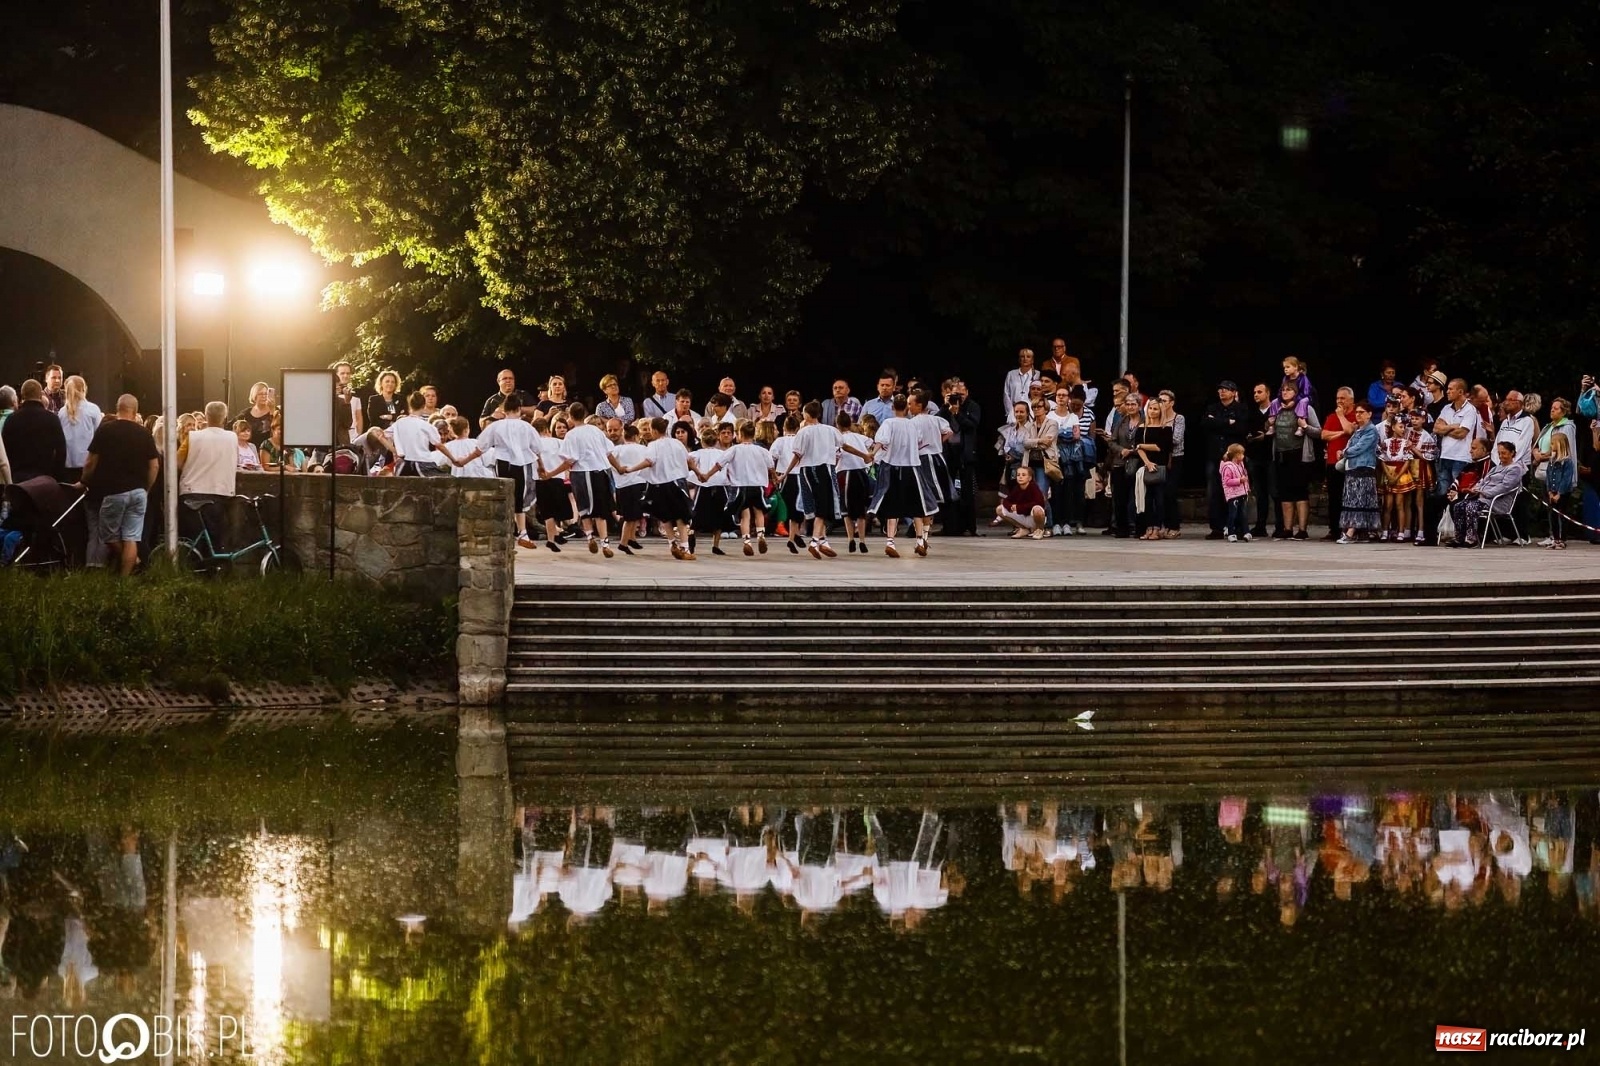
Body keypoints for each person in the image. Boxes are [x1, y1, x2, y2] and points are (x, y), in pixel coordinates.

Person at [78, 394, 158, 575]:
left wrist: (84, 480)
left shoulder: (105, 430)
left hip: (113, 492)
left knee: (107, 535)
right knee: (131, 537)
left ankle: (132, 562)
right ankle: (126, 580)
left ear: (117, 408)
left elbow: (90, 462)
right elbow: (154, 465)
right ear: (135, 411)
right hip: (138, 492)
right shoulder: (144, 433)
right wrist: (146, 488)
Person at [463, 394, 540, 545]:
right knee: (519, 498)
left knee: (504, 496)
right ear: (519, 409)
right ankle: (523, 532)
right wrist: (542, 467)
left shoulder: (496, 426)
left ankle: (506, 531)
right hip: (522, 464)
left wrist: (464, 460)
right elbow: (537, 449)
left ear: (504, 410)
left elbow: (480, 448)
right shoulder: (526, 426)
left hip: (503, 463)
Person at [542, 403, 616, 555]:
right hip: (601, 471)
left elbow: (570, 460)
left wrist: (551, 473)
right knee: (601, 510)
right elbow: (609, 453)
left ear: (570, 416)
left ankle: (590, 537)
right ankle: (605, 543)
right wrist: (619, 467)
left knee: (585, 508)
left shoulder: (572, 435)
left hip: (582, 473)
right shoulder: (596, 431)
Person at [870, 395, 935, 557]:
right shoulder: (913, 425)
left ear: (893, 408)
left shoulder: (888, 423)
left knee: (893, 506)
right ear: (906, 408)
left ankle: (890, 542)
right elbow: (920, 442)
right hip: (912, 468)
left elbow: (882, 440)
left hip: (893, 468)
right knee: (916, 506)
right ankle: (920, 540)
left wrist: (872, 453)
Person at [622, 416, 695, 559]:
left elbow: (649, 461)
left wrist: (631, 469)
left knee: (665, 516)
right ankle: (685, 548)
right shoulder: (677, 443)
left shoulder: (653, 445)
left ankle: (672, 542)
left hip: (660, 485)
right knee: (681, 517)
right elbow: (689, 461)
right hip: (677, 483)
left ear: (654, 430)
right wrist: (699, 473)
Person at [701, 420, 775, 555]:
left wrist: (707, 475)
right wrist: (775, 478)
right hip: (757, 485)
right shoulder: (762, 450)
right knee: (759, 512)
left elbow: (720, 464)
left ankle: (747, 541)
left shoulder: (734, 449)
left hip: (740, 486)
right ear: (754, 434)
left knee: (744, 514)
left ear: (739, 434)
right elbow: (771, 467)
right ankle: (761, 535)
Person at [784, 401, 841, 559]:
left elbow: (797, 454)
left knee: (814, 506)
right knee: (823, 506)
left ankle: (823, 540)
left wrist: (786, 472)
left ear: (807, 414)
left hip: (806, 471)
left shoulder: (803, 432)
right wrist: (863, 455)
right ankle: (815, 541)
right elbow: (845, 445)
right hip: (824, 469)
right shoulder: (830, 430)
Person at [1447, 441, 1526, 547]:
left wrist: (1485, 493)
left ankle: (1472, 539)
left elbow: (1505, 487)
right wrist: (1474, 489)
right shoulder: (1495, 468)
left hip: (1498, 501)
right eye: (1499, 453)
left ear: (1512, 453)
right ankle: (1460, 537)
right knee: (1459, 506)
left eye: (1504, 453)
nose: (1501, 456)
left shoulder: (1515, 468)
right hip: (1483, 498)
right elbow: (1482, 481)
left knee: (1471, 506)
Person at [178, 401, 237, 538]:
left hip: (192, 491)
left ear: (206, 416)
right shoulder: (232, 437)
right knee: (216, 538)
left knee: (192, 537)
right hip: (221, 492)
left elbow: (178, 462)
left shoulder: (193, 437)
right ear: (224, 417)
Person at [1267, 382, 1318, 539]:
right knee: (1285, 493)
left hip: (1300, 456)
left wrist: (1305, 426)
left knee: (1300, 492)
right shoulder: (1277, 408)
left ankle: (1302, 530)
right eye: (1283, 390)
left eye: (1289, 390)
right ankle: (1287, 528)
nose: (1285, 392)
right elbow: (1269, 428)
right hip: (1282, 455)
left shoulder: (1305, 408)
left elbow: (1318, 431)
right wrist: (1268, 423)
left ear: (1296, 392)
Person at [1202, 380, 1248, 539]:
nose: (1222, 392)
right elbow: (1206, 423)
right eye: (1220, 389)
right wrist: (1228, 422)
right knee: (1214, 492)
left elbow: (1241, 428)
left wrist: (1218, 422)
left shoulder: (1241, 409)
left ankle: (1238, 526)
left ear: (1234, 392)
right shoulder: (1212, 407)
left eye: (1226, 389)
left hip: (1234, 458)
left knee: (1236, 492)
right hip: (1215, 455)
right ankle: (1217, 527)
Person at [4, 379, 67, 483]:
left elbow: (5, 450)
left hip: (18, 479)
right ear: (40, 395)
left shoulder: (11, 419)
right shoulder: (52, 419)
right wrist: (58, 477)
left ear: (22, 395)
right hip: (45, 478)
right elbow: (61, 451)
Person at [1336, 402, 1381, 543]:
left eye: (1362, 412)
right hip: (1353, 467)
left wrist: (1344, 452)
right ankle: (1361, 533)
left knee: (1359, 500)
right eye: (1357, 412)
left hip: (1364, 468)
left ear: (1369, 414)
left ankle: (1351, 532)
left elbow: (1359, 448)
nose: (1358, 415)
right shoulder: (1359, 430)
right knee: (1353, 499)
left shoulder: (1371, 430)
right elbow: (1351, 445)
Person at [941, 378, 981, 536]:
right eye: (955, 394)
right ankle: (949, 527)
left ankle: (970, 527)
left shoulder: (973, 407)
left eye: (961, 394)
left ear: (967, 392)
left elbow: (972, 425)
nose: (959, 397)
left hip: (966, 454)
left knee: (967, 493)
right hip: (949, 453)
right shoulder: (947, 407)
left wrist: (957, 413)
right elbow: (937, 421)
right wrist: (946, 407)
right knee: (948, 492)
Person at [605, 421, 651, 554]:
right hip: (636, 484)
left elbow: (608, 457)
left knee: (633, 515)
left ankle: (632, 538)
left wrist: (618, 468)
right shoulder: (643, 449)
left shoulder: (617, 449)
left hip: (622, 486)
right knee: (631, 517)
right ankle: (623, 543)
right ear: (637, 436)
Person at [1319, 387, 1358, 539]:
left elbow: (1349, 430)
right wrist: (1340, 433)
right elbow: (1324, 435)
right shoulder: (1331, 416)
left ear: (1351, 400)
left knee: (1348, 496)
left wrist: (1342, 417)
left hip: (1349, 462)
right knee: (1333, 496)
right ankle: (1334, 529)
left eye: (1342, 398)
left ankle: (1347, 528)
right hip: (1332, 461)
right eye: (1337, 398)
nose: (1339, 401)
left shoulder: (1356, 414)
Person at [835, 411, 874, 553]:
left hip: (845, 473)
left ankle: (851, 539)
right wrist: (869, 456)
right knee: (860, 509)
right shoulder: (860, 437)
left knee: (846, 509)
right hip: (861, 472)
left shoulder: (838, 439)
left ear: (837, 425)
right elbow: (872, 444)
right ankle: (862, 540)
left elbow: (837, 455)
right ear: (850, 423)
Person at [1135, 397, 1173, 539]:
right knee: (1146, 499)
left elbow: (1160, 447)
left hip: (1161, 466)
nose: (1152, 411)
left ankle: (1157, 527)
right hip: (1146, 466)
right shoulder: (1142, 427)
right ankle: (1149, 527)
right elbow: (1136, 447)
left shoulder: (1166, 428)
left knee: (1160, 499)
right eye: (1150, 408)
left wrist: (1142, 445)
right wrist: (1147, 462)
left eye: (1155, 408)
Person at [1105, 394, 1142, 538]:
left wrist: (1133, 451)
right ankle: (1122, 528)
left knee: (1137, 497)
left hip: (1138, 461)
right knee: (1120, 497)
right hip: (1120, 462)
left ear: (1139, 406)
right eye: (1128, 404)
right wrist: (1121, 450)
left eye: (1133, 404)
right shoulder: (1121, 422)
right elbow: (1112, 442)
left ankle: (1137, 526)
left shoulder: (1145, 421)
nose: (1131, 407)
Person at [391, 391, 450, 476]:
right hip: (423, 463)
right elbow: (439, 444)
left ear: (410, 406)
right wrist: (454, 459)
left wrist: (395, 451)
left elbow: (381, 435)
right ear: (423, 405)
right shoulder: (426, 425)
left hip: (403, 463)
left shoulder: (399, 423)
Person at [56, 375, 102, 482]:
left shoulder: (62, 412)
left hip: (68, 463)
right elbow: (99, 436)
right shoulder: (93, 409)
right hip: (87, 463)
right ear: (84, 389)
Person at [1244, 382, 1276, 538]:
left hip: (1271, 456)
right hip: (1255, 456)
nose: (1256, 394)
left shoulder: (1274, 410)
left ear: (1268, 393)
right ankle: (1260, 525)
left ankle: (1280, 525)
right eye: (1254, 392)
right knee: (1260, 493)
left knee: (1275, 492)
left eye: (1259, 391)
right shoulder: (1252, 413)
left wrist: (1266, 436)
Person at [1158, 389, 1185, 537]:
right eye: (1160, 400)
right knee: (1160, 493)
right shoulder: (1156, 417)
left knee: (1170, 491)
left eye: (1164, 401)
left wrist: (1160, 436)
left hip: (1175, 457)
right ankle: (1163, 524)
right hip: (1159, 458)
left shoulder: (1178, 418)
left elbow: (1176, 439)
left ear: (1171, 403)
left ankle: (1174, 525)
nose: (1161, 403)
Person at [996, 465, 1049, 538]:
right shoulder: (1017, 488)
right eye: (1018, 475)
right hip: (1022, 516)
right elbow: (1006, 500)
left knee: (1037, 510)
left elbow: (1039, 503)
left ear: (1029, 478)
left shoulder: (1033, 487)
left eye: (1023, 475)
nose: (1020, 477)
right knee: (999, 509)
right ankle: (1023, 529)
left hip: (1033, 518)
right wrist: (1011, 506)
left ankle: (1039, 530)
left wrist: (1019, 507)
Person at [1546, 431, 1577, 549]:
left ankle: (1563, 539)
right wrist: (1549, 491)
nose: (1551, 446)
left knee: (1563, 515)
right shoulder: (1551, 461)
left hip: (1563, 492)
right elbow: (1548, 475)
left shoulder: (1567, 462)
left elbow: (1566, 478)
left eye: (1553, 444)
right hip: (1552, 491)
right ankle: (1555, 538)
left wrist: (1560, 493)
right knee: (1553, 515)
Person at [1219, 443, 1250, 542]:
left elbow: (1244, 477)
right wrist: (1239, 481)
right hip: (1233, 495)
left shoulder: (1241, 465)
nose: (1243, 456)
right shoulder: (1228, 467)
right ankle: (1231, 532)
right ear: (1236, 455)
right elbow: (1227, 481)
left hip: (1242, 493)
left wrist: (1247, 486)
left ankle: (1246, 531)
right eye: (1241, 454)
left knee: (1243, 514)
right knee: (1233, 514)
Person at [334, 361, 366, 442]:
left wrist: (358, 434)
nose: (345, 376)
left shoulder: (356, 393)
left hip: (353, 435)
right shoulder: (331, 394)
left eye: (348, 373)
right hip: (337, 436)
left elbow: (359, 416)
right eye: (342, 373)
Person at [1002, 348, 1039, 414]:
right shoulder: (1011, 374)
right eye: (1022, 356)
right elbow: (1006, 394)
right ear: (1019, 359)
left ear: (1032, 360)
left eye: (1028, 356)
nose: (1025, 359)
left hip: (1031, 411)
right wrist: (1010, 412)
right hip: (1014, 410)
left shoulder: (1037, 374)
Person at [242, 382, 275, 446]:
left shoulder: (275, 410)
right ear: (254, 395)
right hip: (251, 449)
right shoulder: (246, 413)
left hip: (269, 449)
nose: (264, 396)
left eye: (266, 394)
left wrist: (272, 410)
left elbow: (276, 429)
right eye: (260, 394)